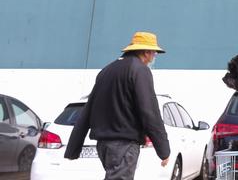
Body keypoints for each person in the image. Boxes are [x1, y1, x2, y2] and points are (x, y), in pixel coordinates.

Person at [64, 31, 170, 179]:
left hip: (104, 146)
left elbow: (88, 109)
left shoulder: (106, 70)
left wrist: (73, 148)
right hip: (124, 145)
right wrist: (164, 150)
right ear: (146, 52)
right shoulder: (140, 70)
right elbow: (149, 111)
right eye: (154, 53)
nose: (154, 57)